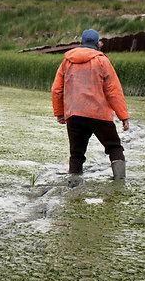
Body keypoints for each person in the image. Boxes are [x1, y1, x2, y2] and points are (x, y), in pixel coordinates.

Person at [51, 29, 130, 186]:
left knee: (76, 153)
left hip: (74, 115)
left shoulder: (67, 62)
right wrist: (124, 117)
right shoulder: (102, 61)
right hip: (99, 114)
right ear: (97, 44)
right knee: (114, 147)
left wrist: (60, 113)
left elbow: (56, 90)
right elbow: (113, 91)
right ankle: (120, 182)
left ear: (82, 42)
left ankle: (73, 184)